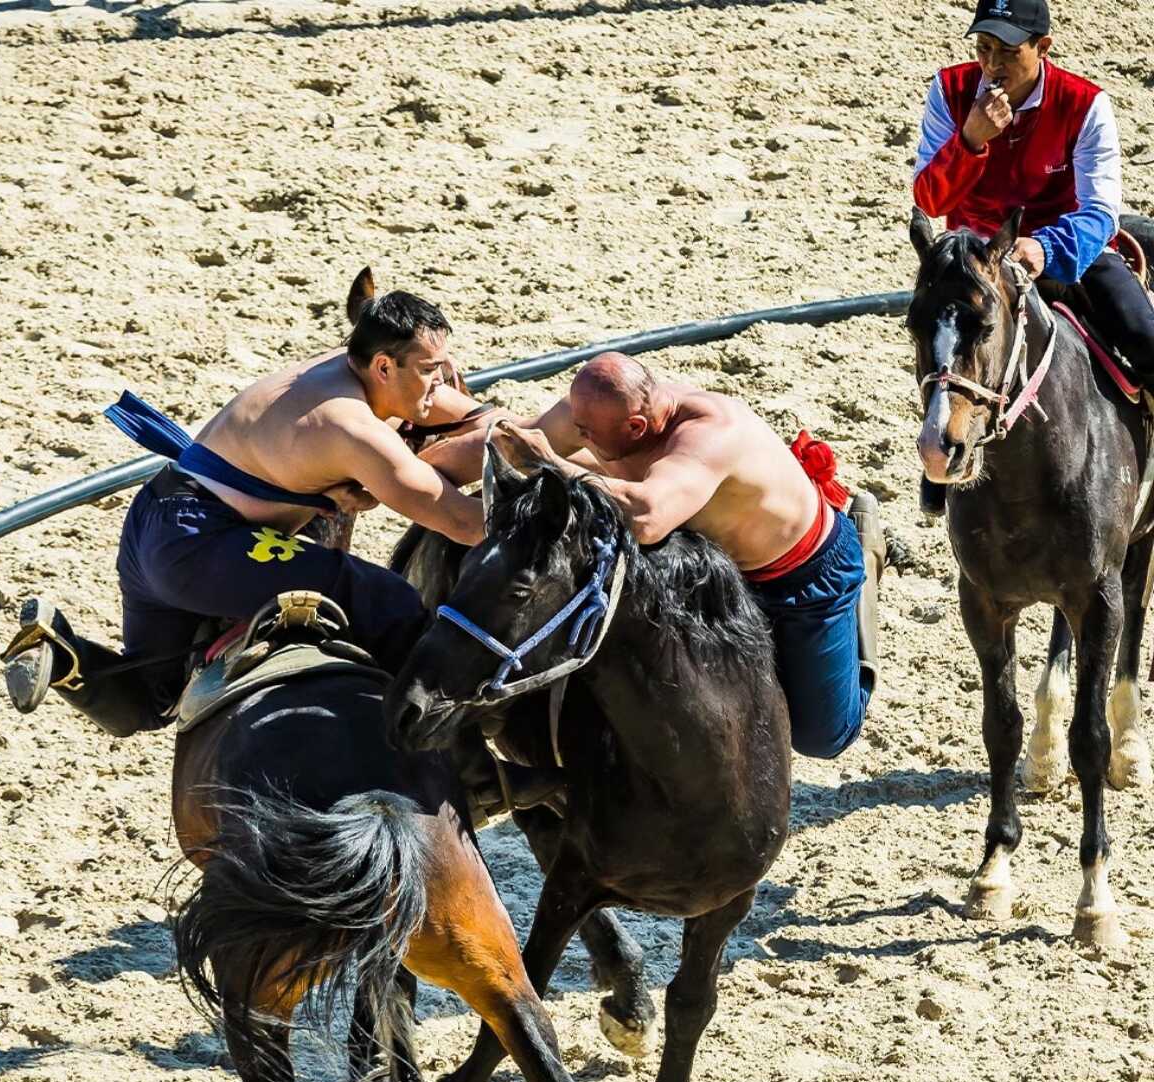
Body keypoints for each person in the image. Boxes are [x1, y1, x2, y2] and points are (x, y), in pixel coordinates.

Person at [1, 291, 495, 737]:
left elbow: (455, 413)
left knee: (152, 700)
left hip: (153, 522)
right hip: (204, 544)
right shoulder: (353, 426)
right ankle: (447, 749)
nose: (438, 382)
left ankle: (64, 654)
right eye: (432, 370)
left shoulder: (332, 370)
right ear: (385, 367)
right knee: (384, 596)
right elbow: (461, 523)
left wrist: (543, 438)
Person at [420, 352, 886, 760]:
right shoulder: (600, 406)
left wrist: (552, 463)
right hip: (705, 563)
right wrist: (407, 470)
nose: (575, 434)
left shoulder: (711, 433)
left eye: (585, 433)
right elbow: (515, 438)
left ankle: (865, 561)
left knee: (822, 737)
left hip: (800, 575)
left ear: (637, 427)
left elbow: (646, 519)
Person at [912, 0, 1154, 509]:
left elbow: (1102, 210)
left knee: (1144, 337)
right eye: (983, 49)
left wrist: (1045, 247)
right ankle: (940, 453)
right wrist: (971, 141)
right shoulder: (951, 90)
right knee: (938, 339)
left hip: (1068, 249)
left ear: (1042, 48)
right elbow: (930, 199)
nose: (992, 65)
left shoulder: (1085, 103)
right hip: (977, 261)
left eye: (1007, 51)